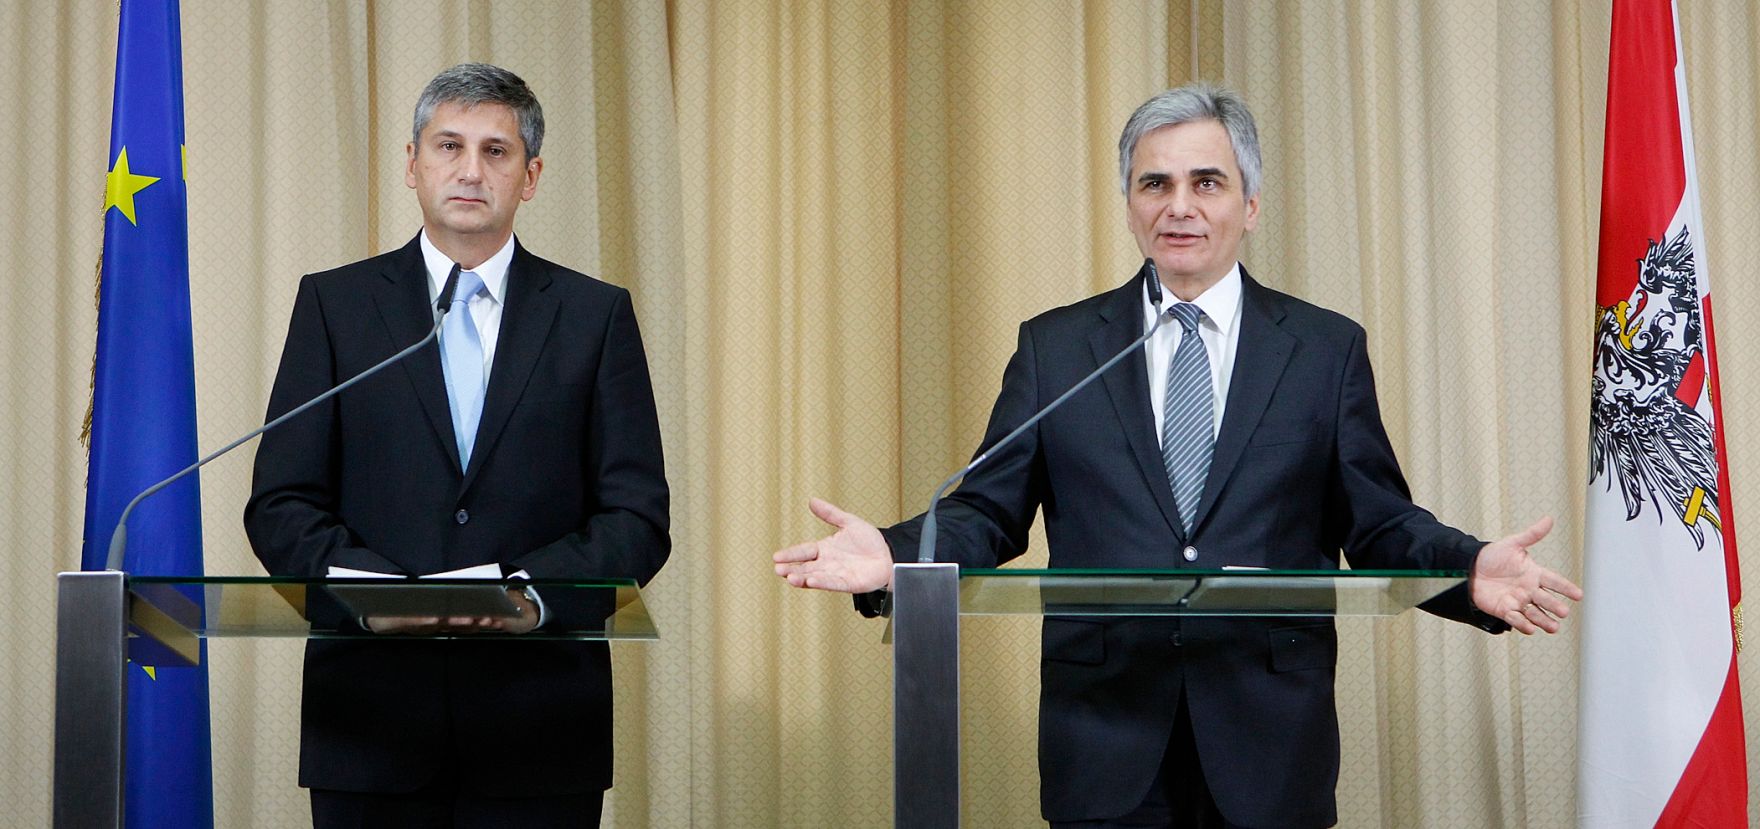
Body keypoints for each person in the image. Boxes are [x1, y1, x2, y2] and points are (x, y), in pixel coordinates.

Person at [773, 83, 1581, 829]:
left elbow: (1378, 523)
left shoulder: (1325, 350)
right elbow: (985, 508)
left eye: (1207, 182)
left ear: (1251, 203)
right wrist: (894, 554)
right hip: (1106, 742)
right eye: (1154, 184)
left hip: (1269, 748)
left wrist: (1466, 567)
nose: (1179, 207)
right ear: (1128, 204)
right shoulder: (1058, 349)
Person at [246, 63, 669, 828]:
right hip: (370, 726)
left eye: (496, 151)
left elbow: (637, 516)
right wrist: (379, 596)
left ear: (531, 175)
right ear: (412, 163)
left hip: (539, 729)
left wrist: (527, 595)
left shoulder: (594, 315)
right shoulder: (335, 306)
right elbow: (281, 502)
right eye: (449, 146)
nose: (471, 170)